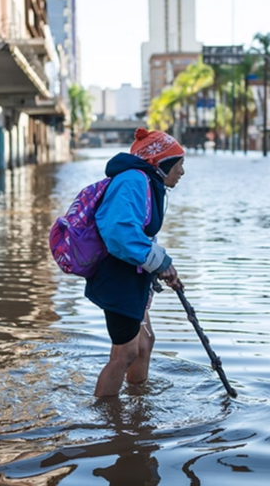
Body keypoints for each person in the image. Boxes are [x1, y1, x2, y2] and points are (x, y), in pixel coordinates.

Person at [86, 128, 185, 397]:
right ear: (162, 164)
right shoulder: (133, 181)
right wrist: (161, 262)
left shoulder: (148, 183)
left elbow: (141, 234)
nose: (182, 172)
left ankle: (137, 407)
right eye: (179, 164)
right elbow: (118, 232)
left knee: (144, 343)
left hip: (133, 275)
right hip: (118, 277)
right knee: (126, 353)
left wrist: (157, 270)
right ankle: (106, 417)